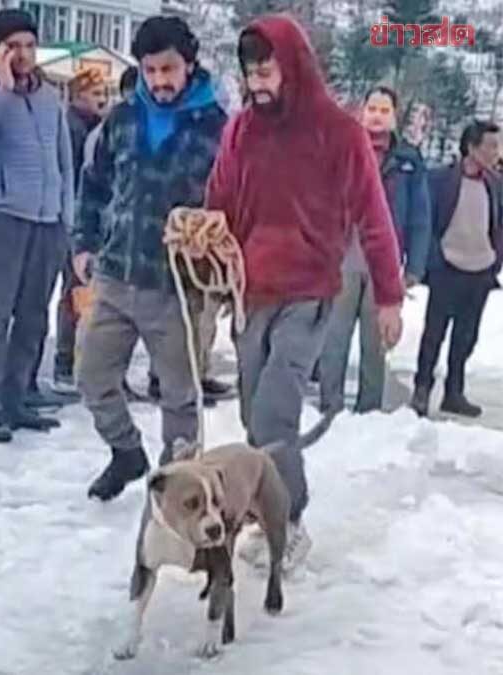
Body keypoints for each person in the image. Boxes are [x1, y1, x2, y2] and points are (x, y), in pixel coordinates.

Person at [205, 16, 404, 568]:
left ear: (292, 66)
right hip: (252, 291)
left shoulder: (339, 132)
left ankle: (288, 520)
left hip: (311, 292)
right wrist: (202, 244)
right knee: (253, 413)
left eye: (266, 71)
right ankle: (271, 502)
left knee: (273, 412)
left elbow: (373, 215)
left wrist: (387, 294)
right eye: (249, 74)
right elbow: (218, 199)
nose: (257, 84)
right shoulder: (242, 130)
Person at [73, 16, 227, 500]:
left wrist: (216, 252)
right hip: (117, 275)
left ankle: (178, 489)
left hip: (176, 287)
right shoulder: (121, 118)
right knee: (92, 376)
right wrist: (84, 241)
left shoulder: (218, 128)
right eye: (150, 70)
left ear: (189, 65)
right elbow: (94, 186)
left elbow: (233, 204)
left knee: (180, 398)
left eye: (169, 69)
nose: (160, 81)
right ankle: (125, 452)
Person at [0, 8, 74, 442]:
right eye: (13, 46)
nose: (23, 54)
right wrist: (1, 91)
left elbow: (64, 161)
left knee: (32, 317)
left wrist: (66, 216)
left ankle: (17, 399)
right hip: (2, 218)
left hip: (46, 221)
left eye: (28, 45)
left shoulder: (49, 95)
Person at [318, 86, 430, 415]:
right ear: (361, 112)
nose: (377, 116)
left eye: (385, 110)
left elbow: (420, 217)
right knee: (333, 337)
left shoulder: (408, 161)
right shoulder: (342, 149)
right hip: (342, 258)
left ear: (395, 118)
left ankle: (369, 411)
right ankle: (330, 408)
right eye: (372, 108)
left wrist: (414, 267)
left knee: (376, 341)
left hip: (384, 263)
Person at [411, 120, 503, 418]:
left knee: (466, 335)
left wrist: (494, 261)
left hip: (480, 271)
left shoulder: (496, 185)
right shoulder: (441, 180)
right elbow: (427, 221)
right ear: (472, 147)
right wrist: (434, 260)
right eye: (490, 145)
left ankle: (454, 392)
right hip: (447, 269)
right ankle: (422, 389)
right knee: (434, 332)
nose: (495, 152)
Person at [50, 65, 110, 394]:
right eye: (96, 94)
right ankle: (65, 359)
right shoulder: (72, 128)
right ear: (77, 96)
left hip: (94, 221)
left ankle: (81, 360)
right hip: (75, 220)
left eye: (105, 94)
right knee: (76, 291)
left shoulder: (98, 128)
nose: (102, 100)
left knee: (90, 293)